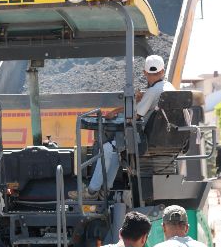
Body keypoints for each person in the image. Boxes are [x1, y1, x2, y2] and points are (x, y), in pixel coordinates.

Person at [72, 55, 176, 201]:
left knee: (107, 149)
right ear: (163, 71)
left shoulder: (153, 91)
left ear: (145, 73)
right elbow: (150, 101)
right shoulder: (170, 88)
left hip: (145, 140)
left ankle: (91, 191)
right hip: (165, 139)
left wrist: (116, 111)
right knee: (115, 152)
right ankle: (104, 191)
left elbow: (134, 116)